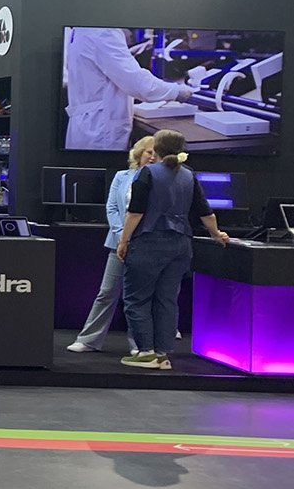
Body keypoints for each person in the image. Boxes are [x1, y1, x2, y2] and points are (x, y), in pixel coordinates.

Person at [116, 129, 231, 370]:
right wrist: (216, 234)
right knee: (167, 300)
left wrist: (123, 241)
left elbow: (135, 212)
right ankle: (162, 355)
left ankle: (145, 353)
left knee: (137, 299)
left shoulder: (147, 173)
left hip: (149, 243)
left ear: (156, 148)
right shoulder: (189, 175)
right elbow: (206, 212)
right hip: (181, 246)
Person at [67, 136, 156, 354]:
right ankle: (89, 339)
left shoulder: (160, 179)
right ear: (139, 153)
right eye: (149, 152)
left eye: (156, 153)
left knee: (139, 297)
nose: (152, 157)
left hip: (146, 243)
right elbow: (112, 208)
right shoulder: (121, 176)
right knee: (106, 292)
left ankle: (139, 344)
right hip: (118, 243)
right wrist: (121, 235)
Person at [65, 27, 193, 151]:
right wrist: (177, 92)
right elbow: (136, 82)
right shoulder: (103, 32)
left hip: (87, 125)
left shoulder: (82, 30)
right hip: (101, 130)